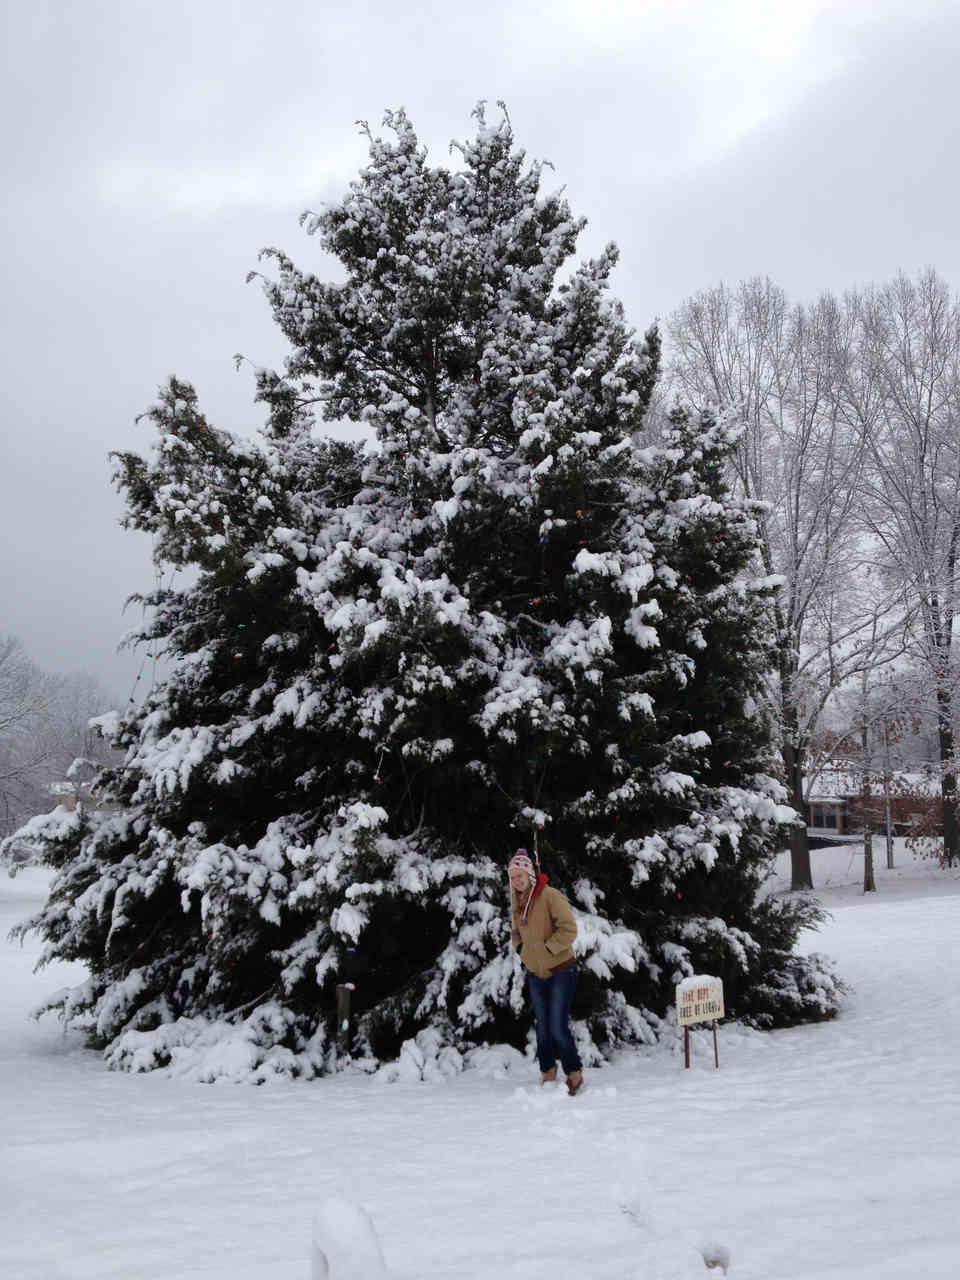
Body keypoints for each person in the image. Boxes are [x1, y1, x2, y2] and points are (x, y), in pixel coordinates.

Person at [508, 848, 584, 1095]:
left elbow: (569, 929)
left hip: (561, 970)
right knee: (542, 1027)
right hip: (536, 974)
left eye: (520, 875)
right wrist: (522, 951)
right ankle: (548, 1072)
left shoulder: (550, 895)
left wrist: (548, 950)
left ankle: (574, 1072)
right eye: (512, 877)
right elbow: (515, 933)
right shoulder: (517, 903)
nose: (516, 881)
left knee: (557, 1026)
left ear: (530, 874)